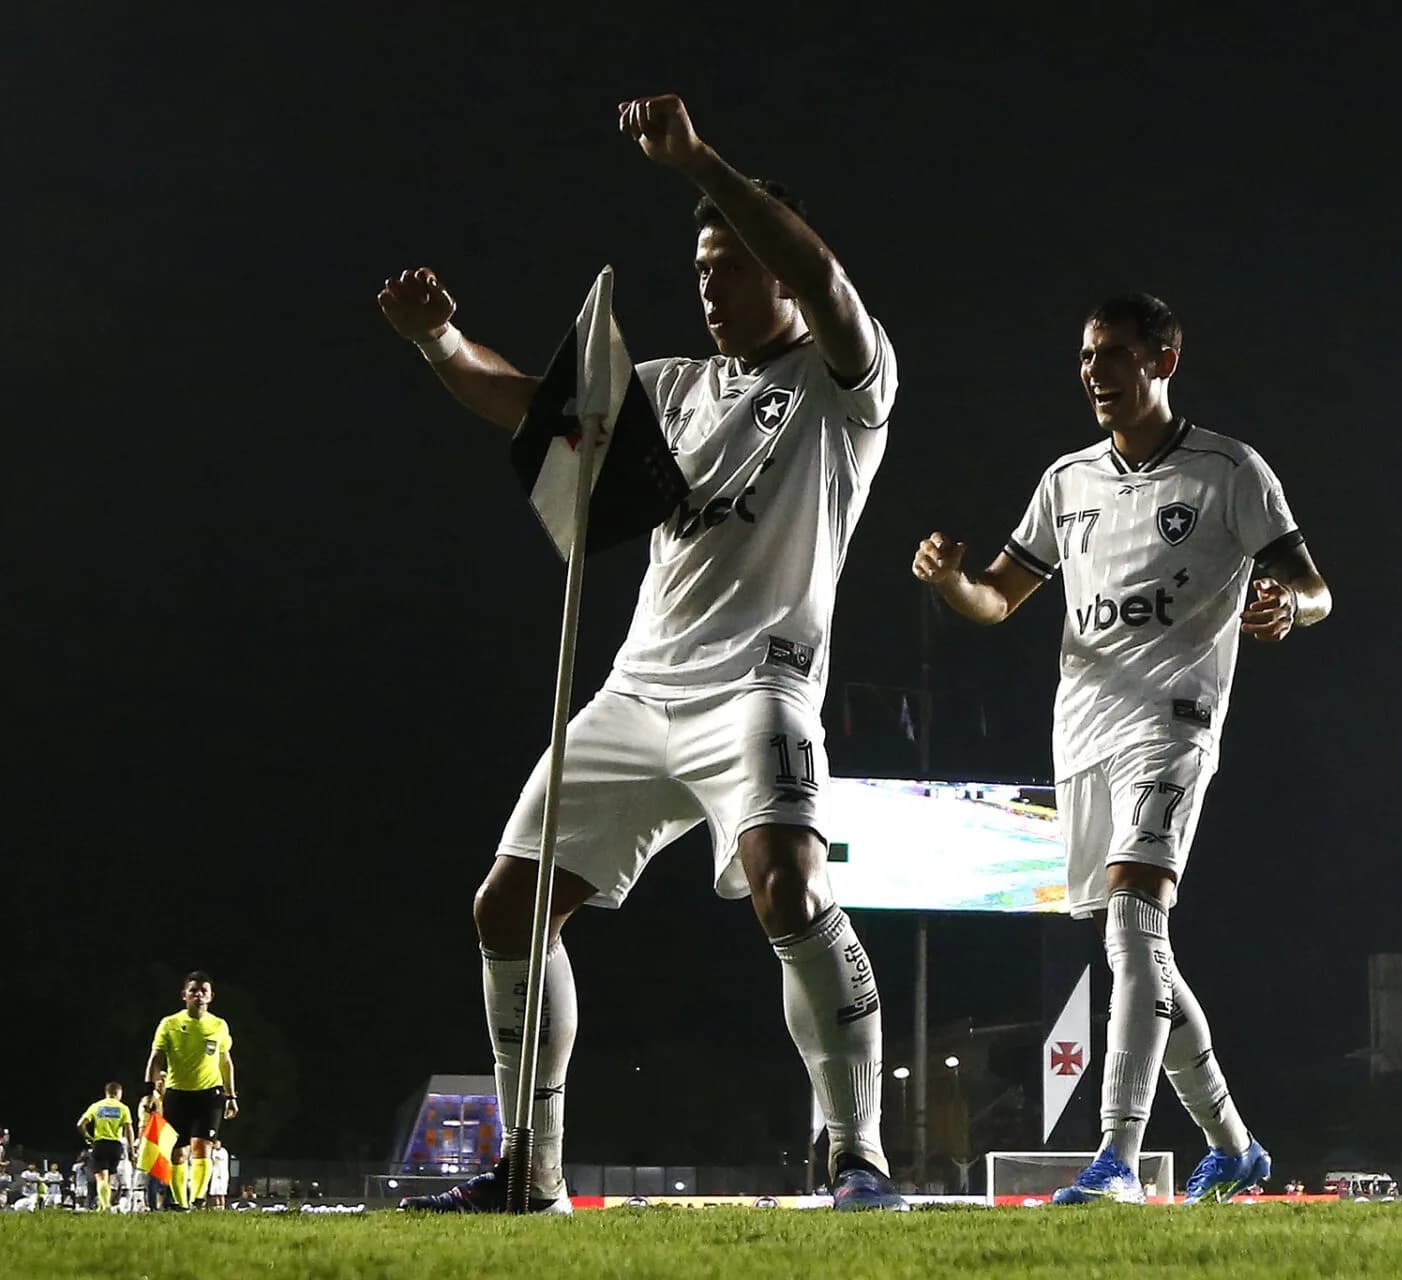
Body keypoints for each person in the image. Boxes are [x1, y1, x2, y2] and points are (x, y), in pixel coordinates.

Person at [377, 93, 902, 1214]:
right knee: (504, 909)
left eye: (732, 262)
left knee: (789, 889)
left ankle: (855, 1150)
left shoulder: (842, 384)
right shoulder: (666, 388)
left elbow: (826, 284)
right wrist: (437, 339)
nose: (711, 284)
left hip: (757, 689)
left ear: (775, 264)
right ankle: (534, 1172)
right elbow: (526, 407)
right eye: (700, 269)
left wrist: (701, 161)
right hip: (637, 691)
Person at [913, 293, 1330, 1205]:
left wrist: (1287, 607)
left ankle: (1117, 1161)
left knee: (1138, 920)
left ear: (1164, 359)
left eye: (1113, 355)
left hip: (1174, 720)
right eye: (1086, 357)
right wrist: (952, 583)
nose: (1094, 372)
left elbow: (1314, 586)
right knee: (1136, 952)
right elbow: (998, 599)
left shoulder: (1230, 470)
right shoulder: (1066, 483)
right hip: (1083, 732)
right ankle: (1235, 1143)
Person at [146, 970, 238, 1209]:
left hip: (210, 1094)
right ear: (184, 995)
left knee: (202, 1147)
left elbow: (225, 1062)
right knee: (178, 1152)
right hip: (177, 1094)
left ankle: (197, 1200)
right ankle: (180, 1202)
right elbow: (156, 1057)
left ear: (211, 996)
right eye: (193, 991)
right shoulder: (170, 1024)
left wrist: (231, 1096)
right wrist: (150, 1090)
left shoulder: (218, 1025)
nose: (198, 995)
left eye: (203, 991)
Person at [76, 1082, 137, 1212]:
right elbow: (129, 1129)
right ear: (119, 1093)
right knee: (108, 1179)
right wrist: (131, 1149)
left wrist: (88, 1137)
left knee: (100, 1178)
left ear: (107, 1092)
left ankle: (105, 1207)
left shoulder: (97, 1106)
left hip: (100, 1144)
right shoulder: (123, 1108)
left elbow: (80, 1124)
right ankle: (102, 1206)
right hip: (116, 1146)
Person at [208, 1139, 229, 1208]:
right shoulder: (213, 1151)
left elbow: (218, 1159)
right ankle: (216, 1206)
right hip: (215, 1174)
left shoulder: (223, 1151)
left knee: (221, 1192)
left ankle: (222, 1206)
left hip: (222, 1174)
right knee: (214, 1192)